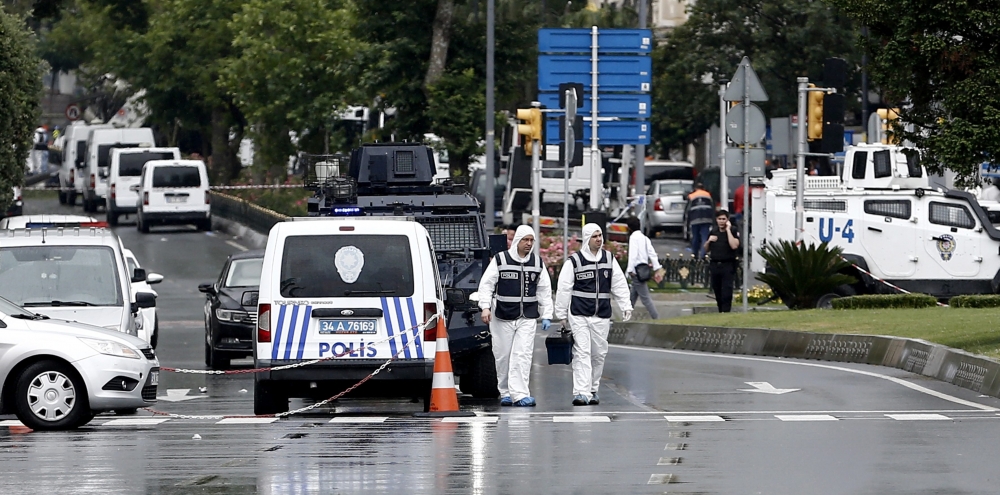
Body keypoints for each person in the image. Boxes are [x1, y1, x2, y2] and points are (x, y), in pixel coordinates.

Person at [554, 223, 632, 406]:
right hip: (579, 314)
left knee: (598, 353)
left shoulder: (609, 259)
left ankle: (592, 389)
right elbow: (564, 288)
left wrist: (625, 306)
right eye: (595, 236)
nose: (599, 239)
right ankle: (581, 392)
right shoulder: (574, 262)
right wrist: (561, 313)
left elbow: (619, 284)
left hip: (602, 315)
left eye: (600, 235)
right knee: (582, 352)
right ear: (587, 238)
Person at [476, 225, 553, 407]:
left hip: (527, 316)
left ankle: (520, 393)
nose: (528, 243)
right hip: (502, 316)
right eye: (525, 240)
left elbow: (544, 290)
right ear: (517, 240)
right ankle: (505, 391)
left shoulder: (537, 263)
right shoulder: (501, 260)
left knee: (522, 355)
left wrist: (547, 313)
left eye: (531, 240)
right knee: (503, 355)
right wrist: (485, 307)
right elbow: (487, 285)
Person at [625, 217, 663, 320]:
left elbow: (633, 255)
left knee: (645, 298)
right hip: (644, 269)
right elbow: (652, 253)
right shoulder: (645, 238)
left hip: (636, 271)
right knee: (632, 296)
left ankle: (656, 318)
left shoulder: (633, 238)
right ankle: (626, 316)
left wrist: (630, 270)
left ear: (629, 228)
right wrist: (657, 268)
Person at [704, 210, 740, 313]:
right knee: (717, 289)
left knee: (727, 290)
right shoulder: (714, 231)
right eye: (719, 219)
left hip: (728, 264)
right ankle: (720, 310)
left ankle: (726, 310)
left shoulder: (733, 230)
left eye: (723, 219)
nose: (721, 221)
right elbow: (706, 249)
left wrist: (728, 230)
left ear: (727, 220)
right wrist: (709, 241)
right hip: (715, 264)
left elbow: (734, 245)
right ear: (716, 220)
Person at [685, 182, 714, 258]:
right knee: (704, 237)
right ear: (703, 188)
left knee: (695, 237)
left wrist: (688, 222)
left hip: (695, 219)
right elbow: (712, 207)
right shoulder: (708, 195)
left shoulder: (691, 196)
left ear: (695, 188)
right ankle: (703, 255)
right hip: (706, 219)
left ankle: (694, 254)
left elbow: (688, 210)